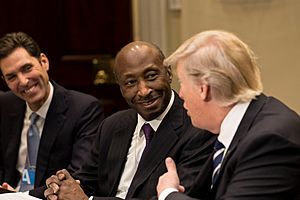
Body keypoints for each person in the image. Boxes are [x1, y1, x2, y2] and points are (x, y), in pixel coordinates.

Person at [44, 41, 216, 200]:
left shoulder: (198, 128)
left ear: (169, 73)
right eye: (131, 82)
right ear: (121, 88)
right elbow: (85, 182)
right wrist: (62, 187)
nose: (143, 91)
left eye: (150, 76)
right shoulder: (112, 126)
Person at [156, 30, 300, 200]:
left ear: (204, 89)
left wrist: (167, 194)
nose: (180, 94)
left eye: (182, 83)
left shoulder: (270, 141)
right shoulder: (235, 125)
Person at [0, 32, 105, 198]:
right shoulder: (5, 105)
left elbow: (76, 180)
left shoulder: (83, 109)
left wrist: (21, 197)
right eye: (12, 77)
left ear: (44, 62)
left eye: (27, 68)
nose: (23, 81)